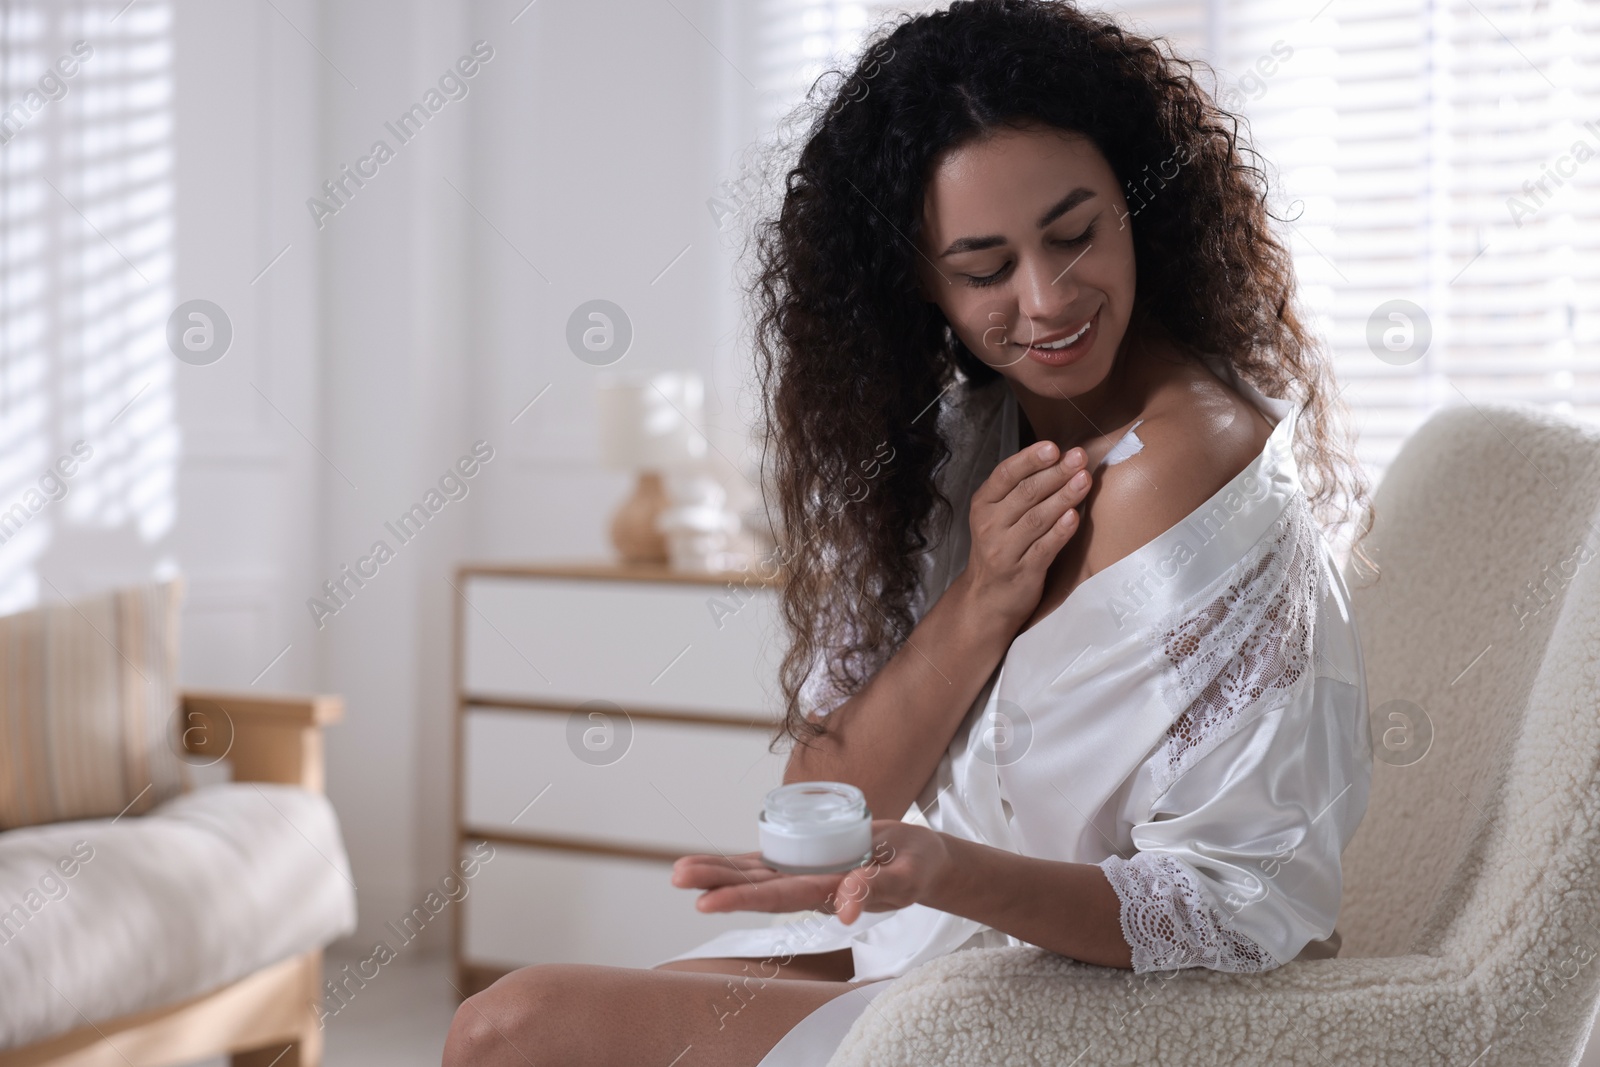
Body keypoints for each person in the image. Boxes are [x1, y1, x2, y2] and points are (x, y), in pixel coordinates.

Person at [442, 1, 1376, 1064]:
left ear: (1139, 206)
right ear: (919, 285)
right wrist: (979, 600)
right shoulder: (960, 441)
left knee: (512, 1028)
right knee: (586, 1020)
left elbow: (1240, 907)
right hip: (945, 942)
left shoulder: (1191, 464)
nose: (1047, 297)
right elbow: (822, 800)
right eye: (983, 269)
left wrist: (945, 867)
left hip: (1126, 1003)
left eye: (1075, 233)